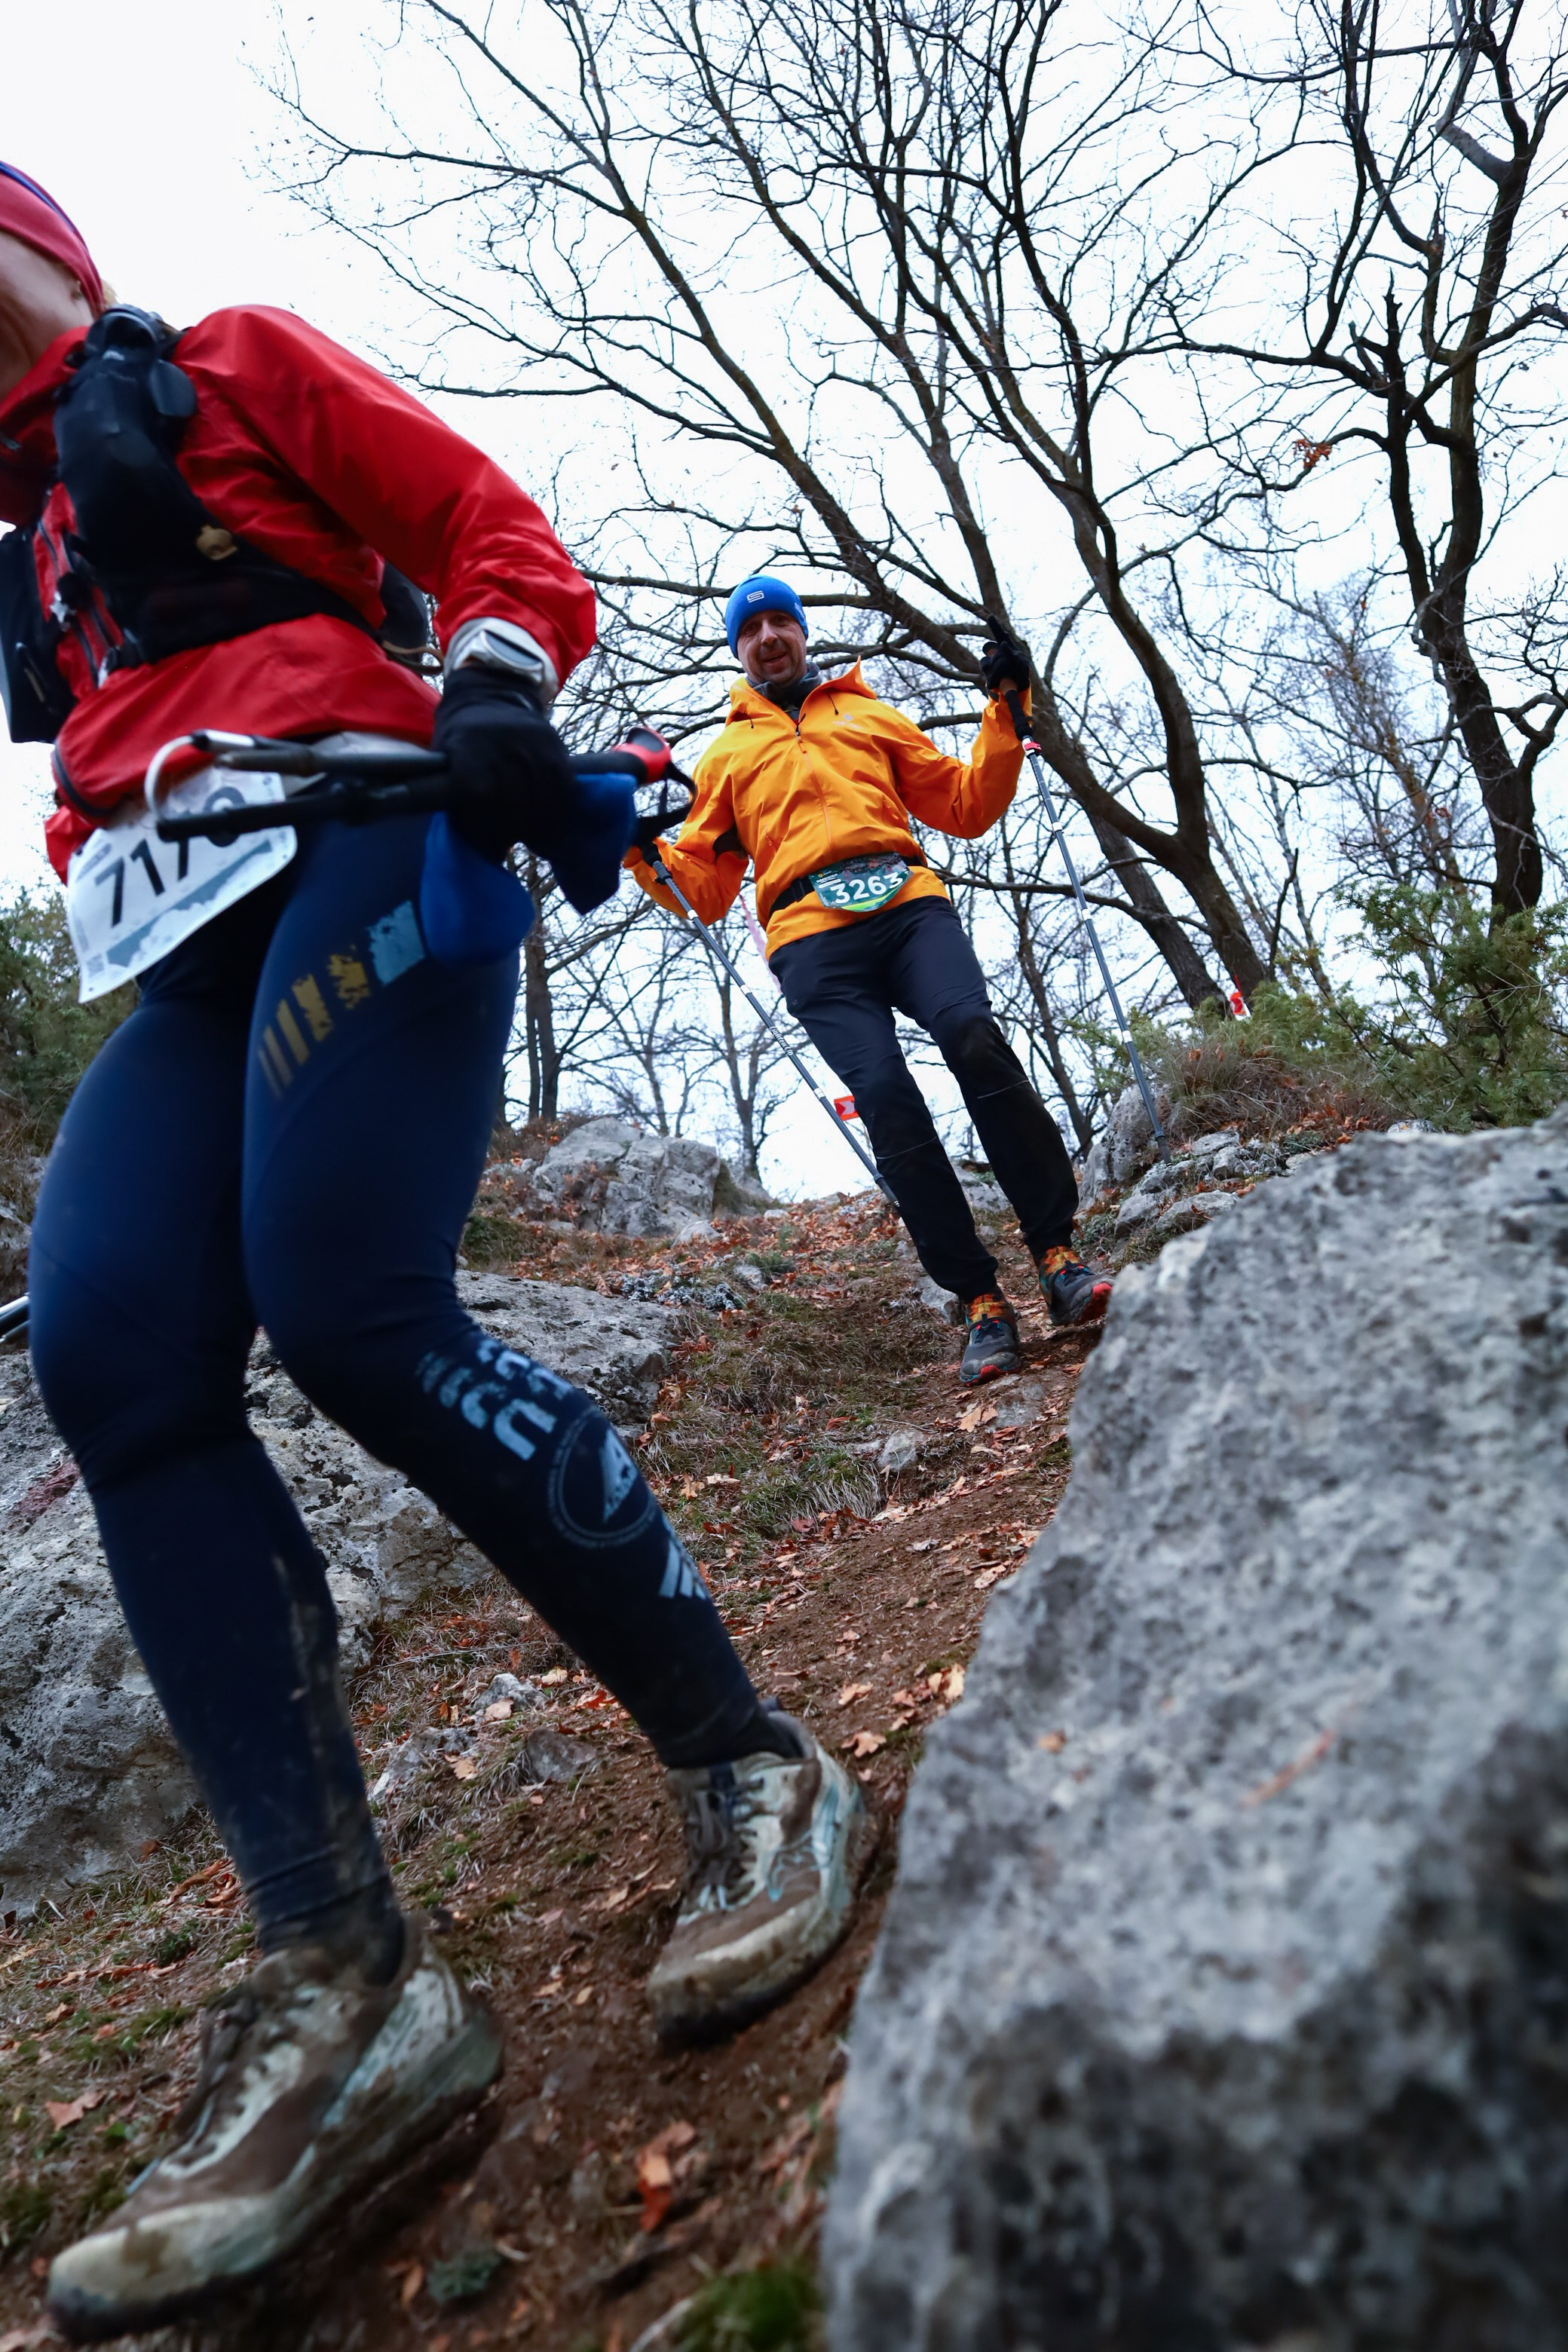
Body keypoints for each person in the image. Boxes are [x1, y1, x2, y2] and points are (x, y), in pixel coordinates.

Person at [0, 166, 871, 2341]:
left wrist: (484, 687)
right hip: (180, 952)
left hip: (388, 843)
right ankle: (347, 1984)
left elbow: (499, 534)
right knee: (111, 1356)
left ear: (48, 257)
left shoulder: (224, 373)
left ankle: (749, 1759)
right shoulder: (30, 559)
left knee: (350, 1309)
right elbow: (85, 788)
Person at [629, 574, 1111, 1384]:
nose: (769, 636)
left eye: (781, 620)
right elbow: (705, 892)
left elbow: (963, 804)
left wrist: (1003, 708)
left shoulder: (869, 713)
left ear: (802, 633)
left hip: (907, 904)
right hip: (811, 936)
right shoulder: (725, 757)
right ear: (738, 651)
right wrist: (638, 849)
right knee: (884, 1094)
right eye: (751, 630)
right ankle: (981, 1301)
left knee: (972, 1037)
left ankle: (1057, 1255)